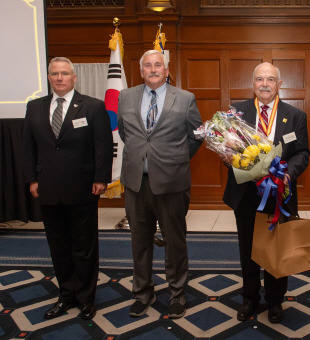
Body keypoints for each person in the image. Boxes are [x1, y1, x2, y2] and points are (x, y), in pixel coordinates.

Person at [23, 57, 113, 320]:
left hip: (83, 187)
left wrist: (101, 178)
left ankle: (86, 298)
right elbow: (28, 147)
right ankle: (66, 295)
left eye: (64, 74)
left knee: (84, 246)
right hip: (48, 188)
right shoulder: (34, 107)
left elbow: (103, 146)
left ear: (74, 78)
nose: (59, 78)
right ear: (49, 78)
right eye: (54, 74)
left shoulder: (93, 107)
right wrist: (32, 179)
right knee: (58, 246)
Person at [117, 50, 202, 319]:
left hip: (171, 183)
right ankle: (142, 293)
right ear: (141, 71)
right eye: (147, 66)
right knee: (139, 241)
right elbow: (124, 131)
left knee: (174, 242)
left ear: (166, 70)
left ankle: (177, 293)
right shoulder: (126, 96)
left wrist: (174, 160)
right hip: (135, 183)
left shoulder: (185, 98)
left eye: (158, 65)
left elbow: (196, 135)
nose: (153, 69)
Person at [223, 62, 310, 324]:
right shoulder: (236, 112)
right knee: (248, 248)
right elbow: (227, 148)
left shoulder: (295, 116)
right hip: (246, 192)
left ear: (279, 84)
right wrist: (229, 156)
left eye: (270, 79)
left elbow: (303, 153)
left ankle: (275, 300)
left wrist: (287, 173)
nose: (264, 84)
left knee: (276, 248)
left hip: (278, 193)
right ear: (253, 84)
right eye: (259, 79)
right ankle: (249, 297)